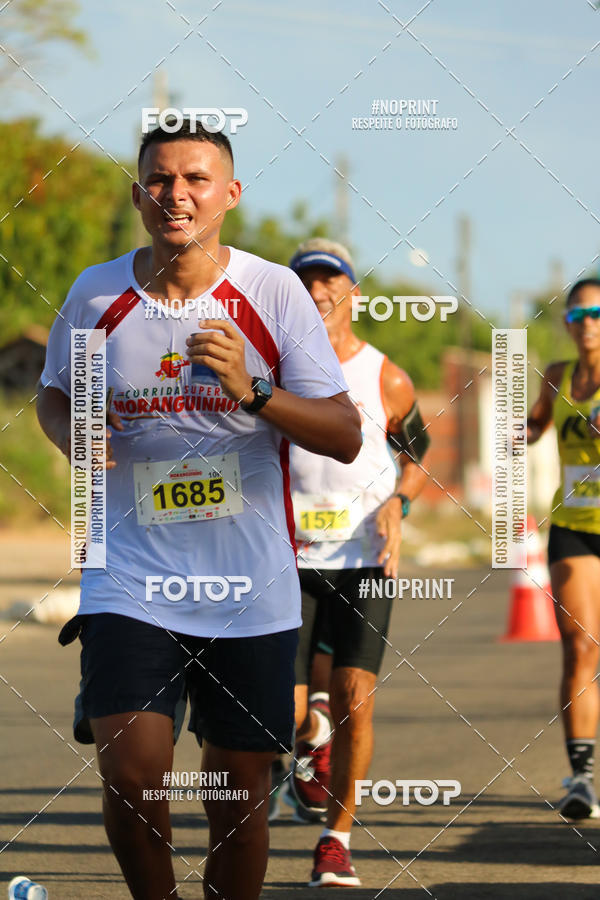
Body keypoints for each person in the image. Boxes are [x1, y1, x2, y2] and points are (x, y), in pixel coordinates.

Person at [36, 120, 362, 900]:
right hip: (131, 579)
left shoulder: (270, 292)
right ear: (139, 192)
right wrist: (73, 432)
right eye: (158, 179)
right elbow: (53, 395)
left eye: (195, 179)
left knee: (239, 802)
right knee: (132, 777)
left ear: (230, 194)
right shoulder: (97, 293)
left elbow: (346, 434)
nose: (175, 195)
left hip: (250, 589)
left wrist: (255, 390)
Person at [286, 238, 429, 886]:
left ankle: (336, 839)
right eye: (306, 281)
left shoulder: (384, 376)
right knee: (278, 710)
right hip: (286, 557)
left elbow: (420, 457)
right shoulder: (274, 367)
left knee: (355, 699)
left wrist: (399, 501)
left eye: (330, 279)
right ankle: (309, 737)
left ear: (352, 292)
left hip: (364, 558)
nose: (318, 291)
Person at [527, 278, 600, 820]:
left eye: (597, 314)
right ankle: (582, 778)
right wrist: (516, 427)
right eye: (579, 316)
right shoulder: (558, 377)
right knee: (580, 646)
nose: (589, 324)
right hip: (574, 524)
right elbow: (531, 429)